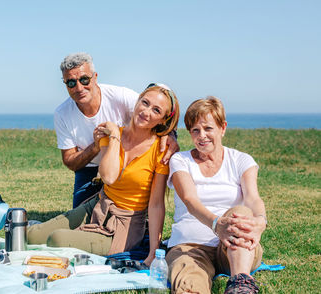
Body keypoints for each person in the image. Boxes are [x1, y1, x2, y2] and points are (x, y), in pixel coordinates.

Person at [29, 84, 180, 262]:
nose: (146, 112)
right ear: (137, 101)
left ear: (163, 120)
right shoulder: (112, 135)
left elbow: (155, 205)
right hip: (98, 205)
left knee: (57, 239)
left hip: (125, 224)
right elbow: (108, 177)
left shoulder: (160, 150)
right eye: (145, 103)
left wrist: (153, 253)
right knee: (33, 236)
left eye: (156, 110)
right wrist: (115, 136)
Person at [166, 97, 267, 294]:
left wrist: (261, 222)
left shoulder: (241, 160)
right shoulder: (180, 160)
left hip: (235, 247)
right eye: (195, 130)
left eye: (208, 128)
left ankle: (241, 284)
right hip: (190, 245)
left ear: (222, 128)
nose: (201, 136)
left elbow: (253, 198)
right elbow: (190, 200)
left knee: (241, 212)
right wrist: (216, 225)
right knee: (189, 283)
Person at [54, 52, 179, 208]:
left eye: (84, 79)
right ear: (65, 84)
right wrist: (95, 147)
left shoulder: (120, 96)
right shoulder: (62, 113)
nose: (79, 87)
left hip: (126, 166)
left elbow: (162, 106)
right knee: (78, 217)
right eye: (71, 83)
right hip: (90, 170)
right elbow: (70, 161)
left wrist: (171, 135)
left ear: (95, 77)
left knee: (139, 220)